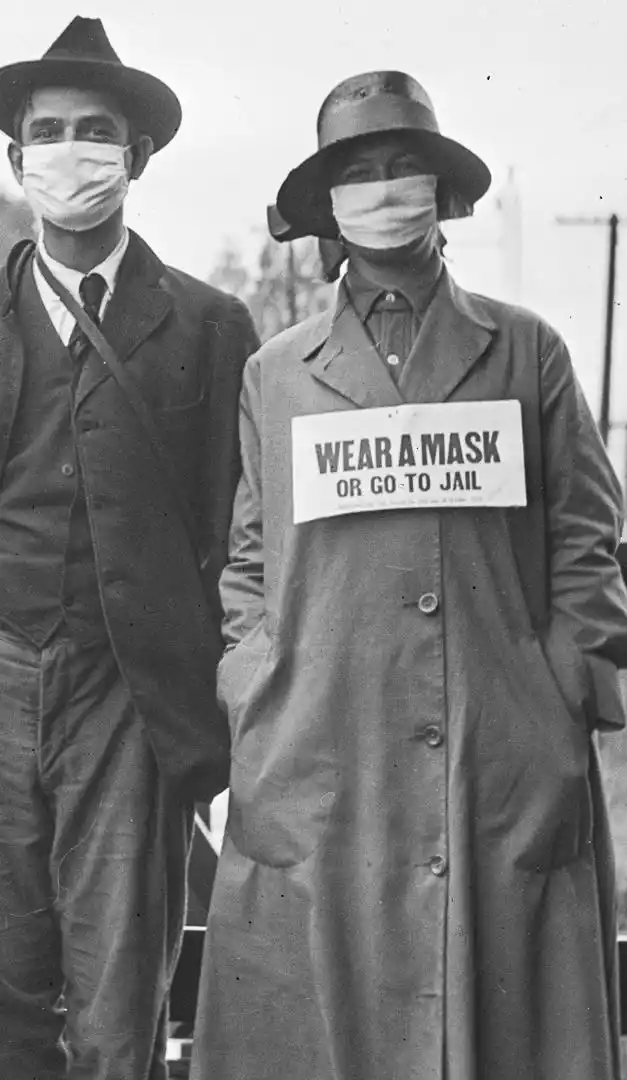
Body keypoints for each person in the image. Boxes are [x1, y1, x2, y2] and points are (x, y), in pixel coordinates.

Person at [191, 71, 627, 1080]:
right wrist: (252, 679)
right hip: (323, 744)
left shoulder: (526, 350)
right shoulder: (278, 372)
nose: (386, 188)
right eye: (361, 172)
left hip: (497, 742)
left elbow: (583, 535)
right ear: (327, 208)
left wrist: (561, 684)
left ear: (441, 192)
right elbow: (252, 556)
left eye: (405, 167)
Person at [0, 16, 258, 1080]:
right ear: (16, 157)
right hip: (2, 675)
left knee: (117, 998)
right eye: (48, 130)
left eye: (94, 130)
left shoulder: (208, 325)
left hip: (131, 693)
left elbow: (239, 527)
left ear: (135, 156)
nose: (71, 151)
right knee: (6, 986)